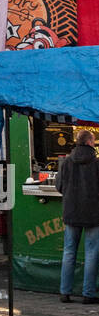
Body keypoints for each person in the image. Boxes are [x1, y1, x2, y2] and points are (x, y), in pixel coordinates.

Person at [55, 130, 99, 304]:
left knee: (69, 252)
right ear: (89, 142)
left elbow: (59, 186)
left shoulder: (66, 162)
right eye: (94, 141)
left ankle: (64, 292)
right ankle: (88, 294)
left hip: (71, 212)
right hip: (94, 214)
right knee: (92, 253)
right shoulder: (96, 164)